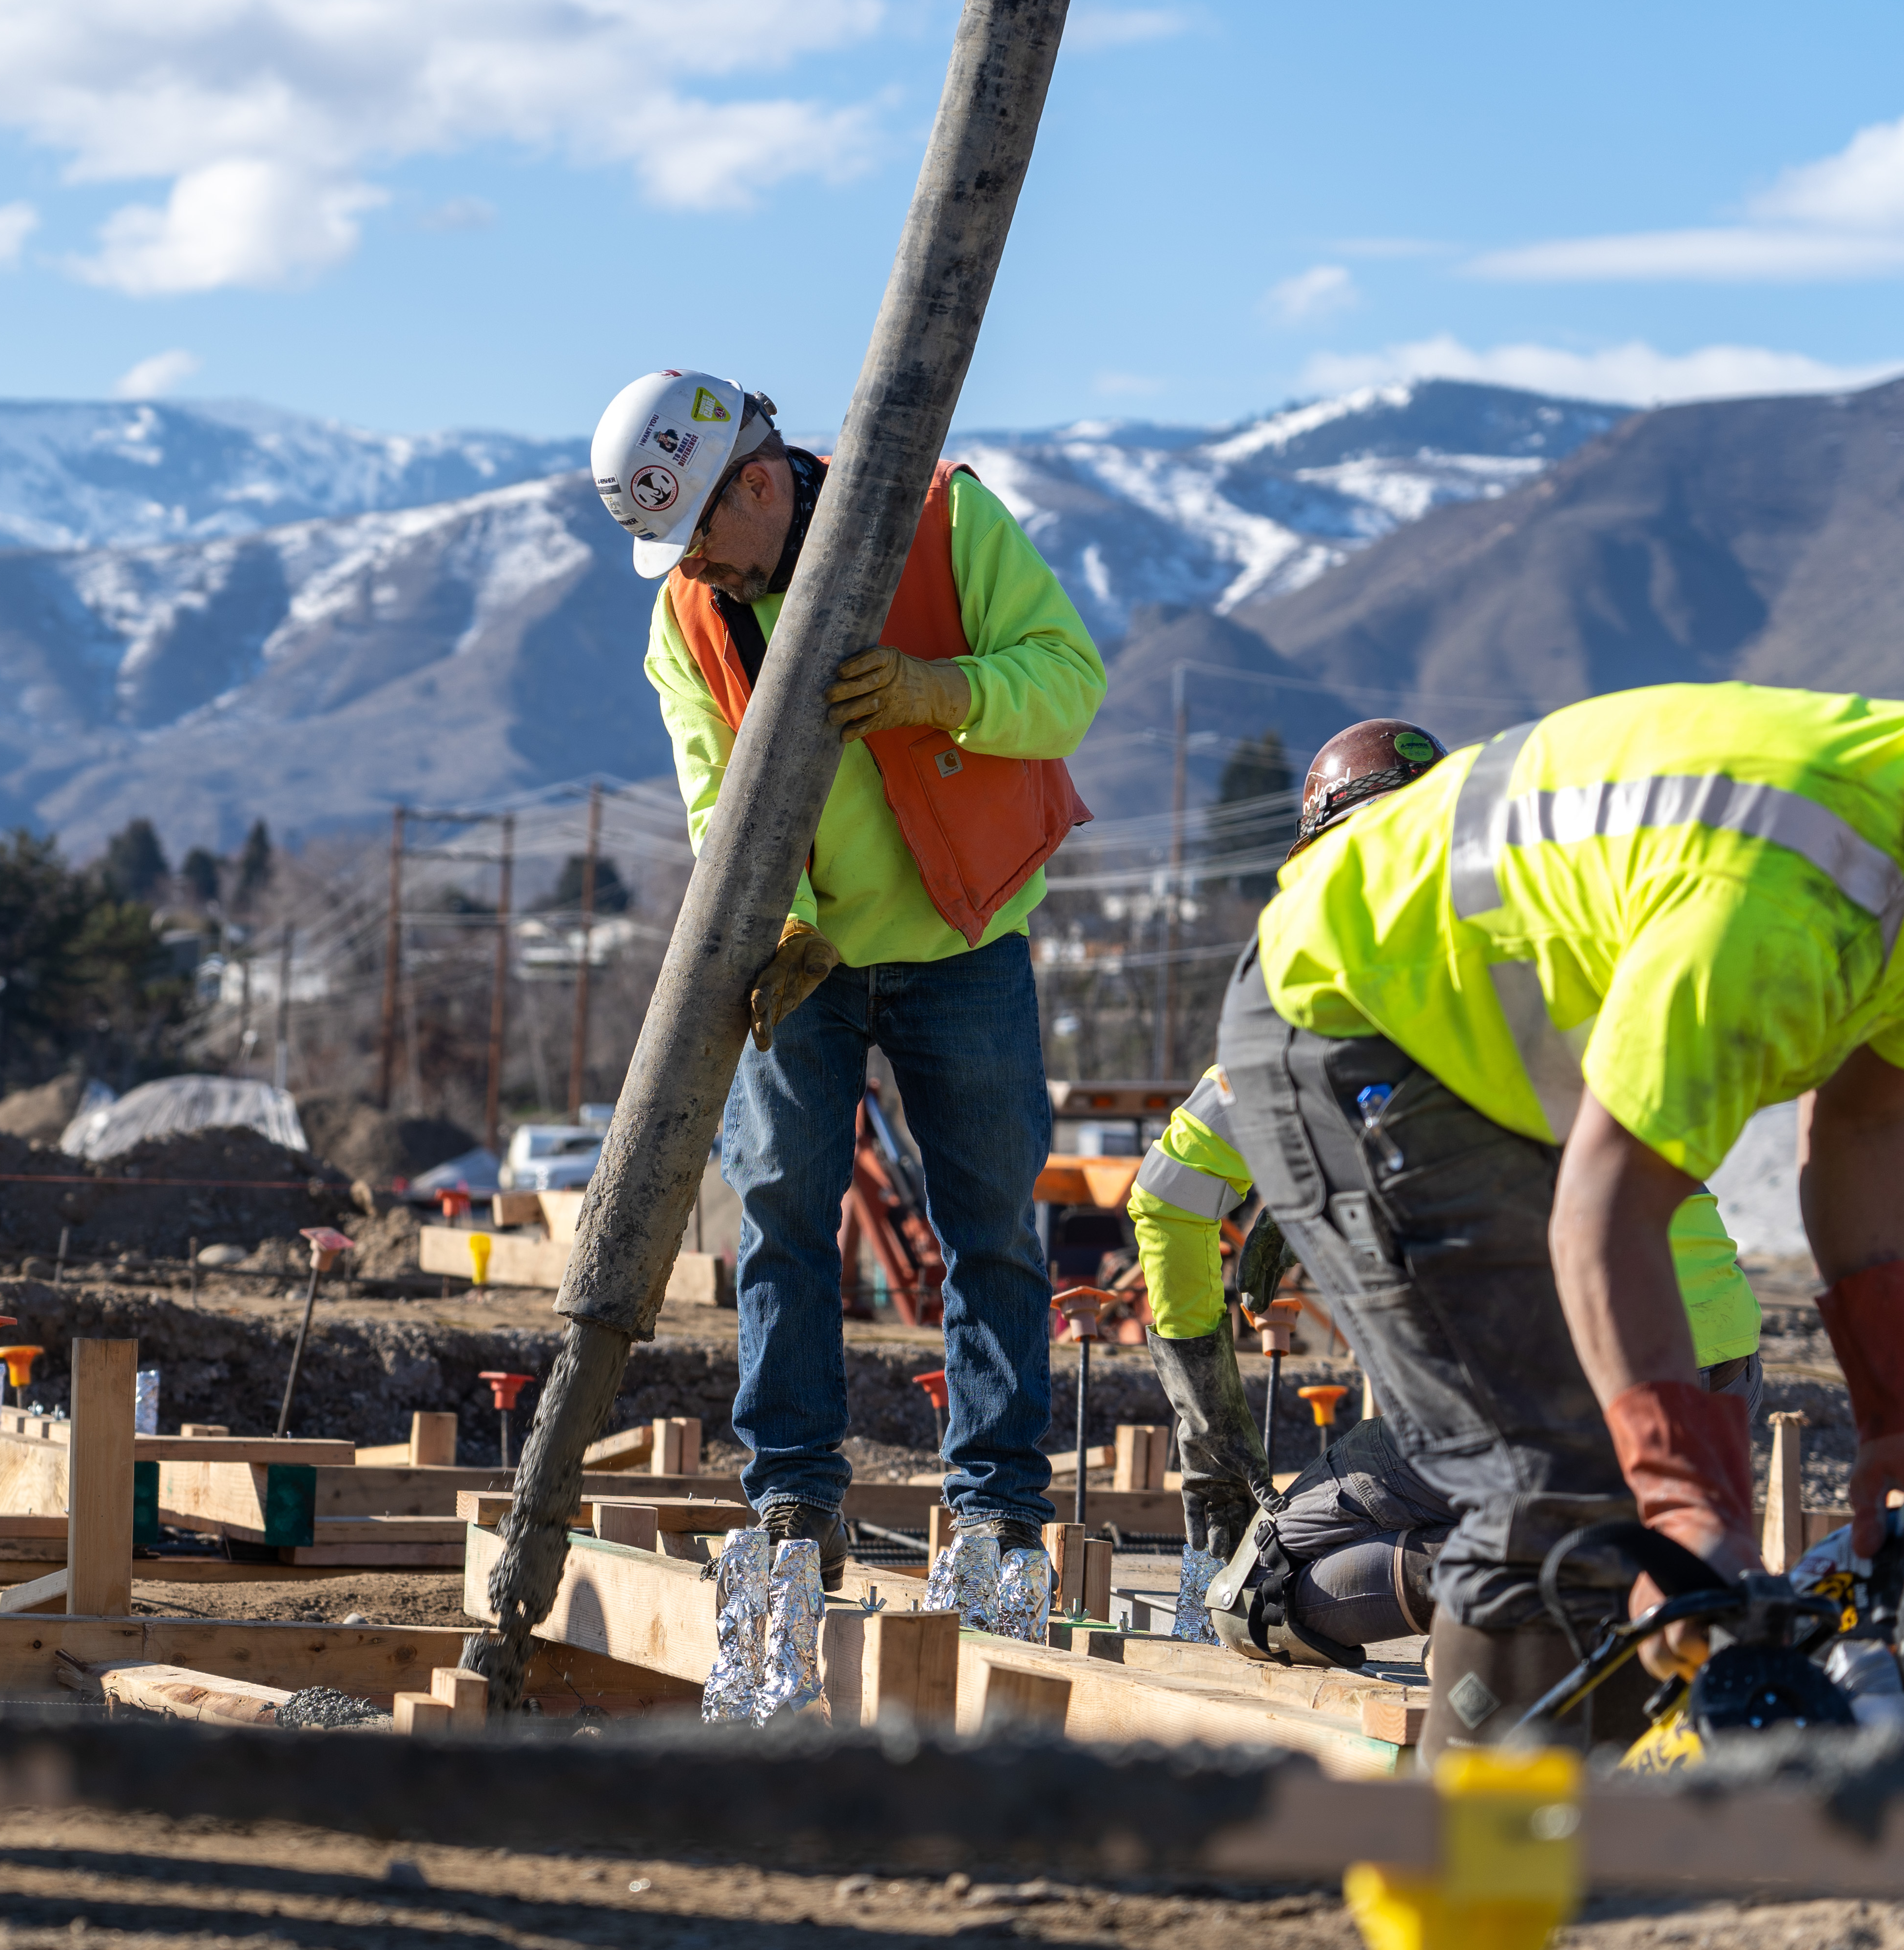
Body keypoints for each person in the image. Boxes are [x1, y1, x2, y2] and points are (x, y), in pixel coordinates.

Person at [1213, 682, 1904, 1758]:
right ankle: (1465, 1885)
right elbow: (1608, 1207)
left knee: (1611, 1521)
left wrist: (1892, 1419)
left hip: (1478, 1047)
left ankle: (1601, 1848)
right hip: (1346, 1007)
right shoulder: (1782, 906)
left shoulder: (1884, 844)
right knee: (1556, 1486)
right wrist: (1683, 1501)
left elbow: (1864, 1129)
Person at [591, 369, 1106, 1617]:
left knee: (990, 1225)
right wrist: (788, 925)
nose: (693, 571)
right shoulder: (691, 623)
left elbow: (1070, 680)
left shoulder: (944, 521)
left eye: (699, 536)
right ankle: (794, 1497)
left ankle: (997, 1512)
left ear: (758, 483)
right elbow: (718, 797)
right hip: (802, 956)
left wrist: (948, 693)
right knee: (780, 1214)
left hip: (961, 939)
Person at [1127, 722, 1766, 1659]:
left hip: (1539, 1392)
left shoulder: (1322, 971)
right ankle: (1596, 1576)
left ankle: (1536, 1574)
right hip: (1715, 1367)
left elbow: (1169, 1199)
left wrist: (1215, 1446)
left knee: (1251, 1596)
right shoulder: (1572, 936)